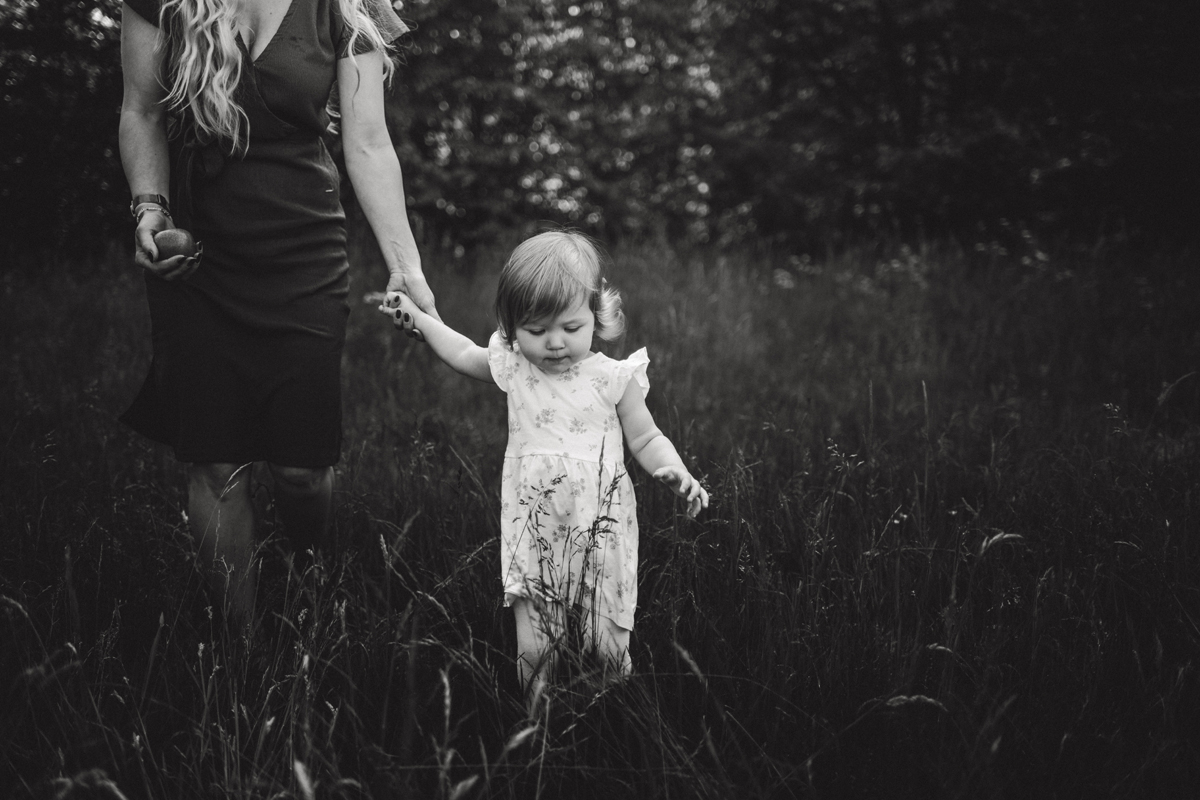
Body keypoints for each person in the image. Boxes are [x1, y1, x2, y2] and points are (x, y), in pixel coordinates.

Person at [118, 0, 438, 631]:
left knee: (303, 469)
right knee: (217, 463)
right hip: (201, 255)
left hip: (304, 249)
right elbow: (142, 111)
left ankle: (309, 580)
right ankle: (237, 651)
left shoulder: (347, 6)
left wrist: (407, 265)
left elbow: (368, 142)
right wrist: (150, 206)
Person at [380, 230, 708, 707]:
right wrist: (420, 319)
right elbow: (462, 352)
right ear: (512, 328)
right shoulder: (516, 368)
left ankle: (609, 710)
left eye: (571, 328)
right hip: (534, 524)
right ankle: (537, 720)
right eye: (536, 331)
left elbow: (646, 437)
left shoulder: (613, 378)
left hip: (602, 528)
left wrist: (675, 471)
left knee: (605, 647)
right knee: (536, 647)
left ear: (596, 316)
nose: (555, 343)